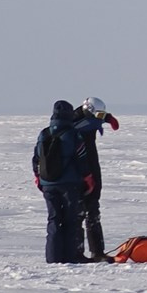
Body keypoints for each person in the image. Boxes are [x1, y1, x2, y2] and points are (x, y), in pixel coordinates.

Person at [31, 99, 104, 264]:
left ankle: (53, 258)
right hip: (69, 185)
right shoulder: (73, 134)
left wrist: (38, 178)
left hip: (48, 184)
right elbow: (82, 159)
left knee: (54, 220)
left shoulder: (44, 133)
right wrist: (88, 179)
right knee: (72, 220)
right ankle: (72, 256)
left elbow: (36, 159)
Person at [74, 96, 121, 262]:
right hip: (80, 173)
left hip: (92, 169)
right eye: (99, 115)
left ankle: (97, 252)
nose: (100, 119)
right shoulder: (75, 125)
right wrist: (85, 176)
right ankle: (77, 253)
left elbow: (98, 116)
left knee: (93, 211)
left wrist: (108, 117)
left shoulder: (90, 118)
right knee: (79, 214)